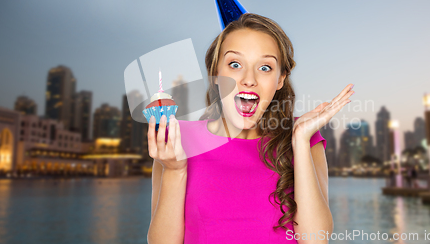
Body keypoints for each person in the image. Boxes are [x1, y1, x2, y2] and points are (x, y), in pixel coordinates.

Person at [146, 13, 354, 243]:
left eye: (265, 67)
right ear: (216, 73)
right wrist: (175, 171)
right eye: (235, 64)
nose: (249, 79)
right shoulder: (176, 139)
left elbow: (316, 240)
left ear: (280, 79)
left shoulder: (304, 137)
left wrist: (301, 143)